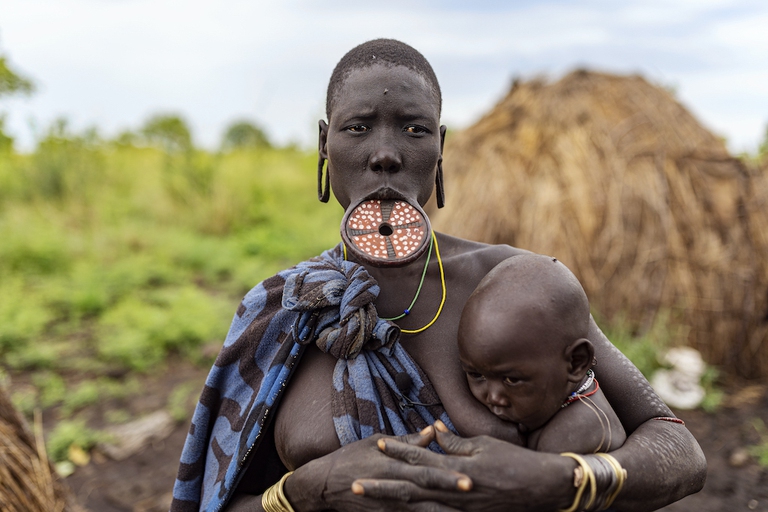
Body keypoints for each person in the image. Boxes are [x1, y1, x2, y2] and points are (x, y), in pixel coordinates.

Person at [171, 39, 706, 512]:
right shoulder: (284, 311)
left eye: (415, 129)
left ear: (440, 150)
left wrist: (555, 480)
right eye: (357, 128)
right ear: (324, 146)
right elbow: (215, 503)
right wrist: (304, 492)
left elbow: (678, 449)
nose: (385, 154)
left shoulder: (516, 283)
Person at [457, 253, 626, 455]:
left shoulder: (573, 435)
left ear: (576, 363)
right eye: (477, 375)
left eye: (511, 379)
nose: (493, 397)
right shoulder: (553, 405)